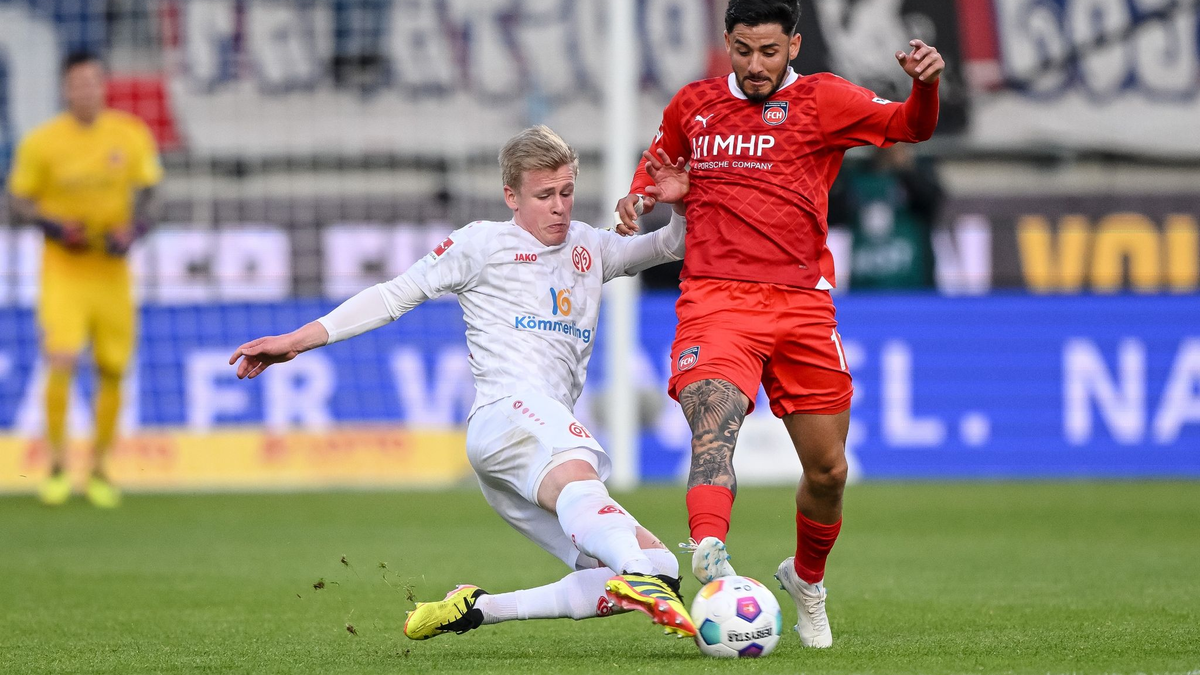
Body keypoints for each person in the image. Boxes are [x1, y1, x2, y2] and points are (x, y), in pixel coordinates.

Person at [229, 126, 698, 639]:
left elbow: (671, 246)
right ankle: (635, 572)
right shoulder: (482, 243)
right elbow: (393, 295)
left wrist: (681, 204)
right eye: (544, 196)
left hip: (525, 451)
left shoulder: (589, 246)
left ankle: (478, 607)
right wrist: (298, 339)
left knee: (662, 571)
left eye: (566, 192)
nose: (559, 207)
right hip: (509, 413)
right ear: (511, 196)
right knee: (601, 508)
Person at [614, 0, 943, 648]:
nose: (756, 64)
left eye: (769, 51)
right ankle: (709, 548)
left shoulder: (827, 100)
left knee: (828, 471)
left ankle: (807, 579)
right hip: (716, 297)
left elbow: (911, 127)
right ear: (727, 42)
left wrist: (926, 85)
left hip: (801, 304)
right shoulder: (694, 105)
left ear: (794, 45)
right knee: (716, 422)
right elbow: (653, 172)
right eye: (743, 50)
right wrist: (641, 199)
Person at [7, 51, 163, 508]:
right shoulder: (41, 142)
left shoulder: (129, 135)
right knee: (60, 358)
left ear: (103, 86)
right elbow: (18, 200)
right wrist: (54, 227)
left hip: (112, 273)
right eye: (77, 84)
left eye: (93, 83)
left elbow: (154, 198)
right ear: (65, 89)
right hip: (64, 270)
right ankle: (56, 467)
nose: (86, 91)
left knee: (113, 367)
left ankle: (99, 470)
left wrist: (133, 231)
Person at [830, 143, 944, 290]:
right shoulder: (855, 176)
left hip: (913, 286)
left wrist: (905, 168)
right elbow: (831, 216)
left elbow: (933, 203)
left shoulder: (921, 172)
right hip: (865, 286)